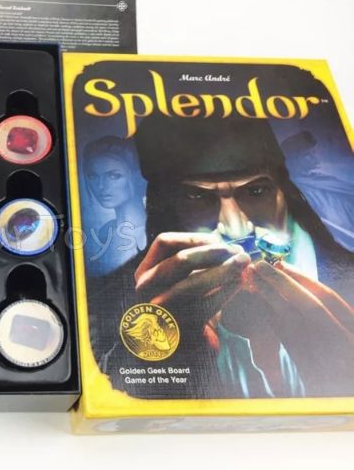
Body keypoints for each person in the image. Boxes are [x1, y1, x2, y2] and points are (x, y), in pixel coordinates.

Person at [89, 115, 354, 398]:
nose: (236, 229)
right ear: (166, 205)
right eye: (197, 197)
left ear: (285, 192)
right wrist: (154, 358)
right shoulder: (109, 304)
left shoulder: (345, 274)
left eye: (255, 191)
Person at [83, 136, 146, 275]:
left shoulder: (147, 231)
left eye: (113, 176)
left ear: (136, 176)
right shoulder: (107, 230)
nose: (101, 186)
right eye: (93, 176)